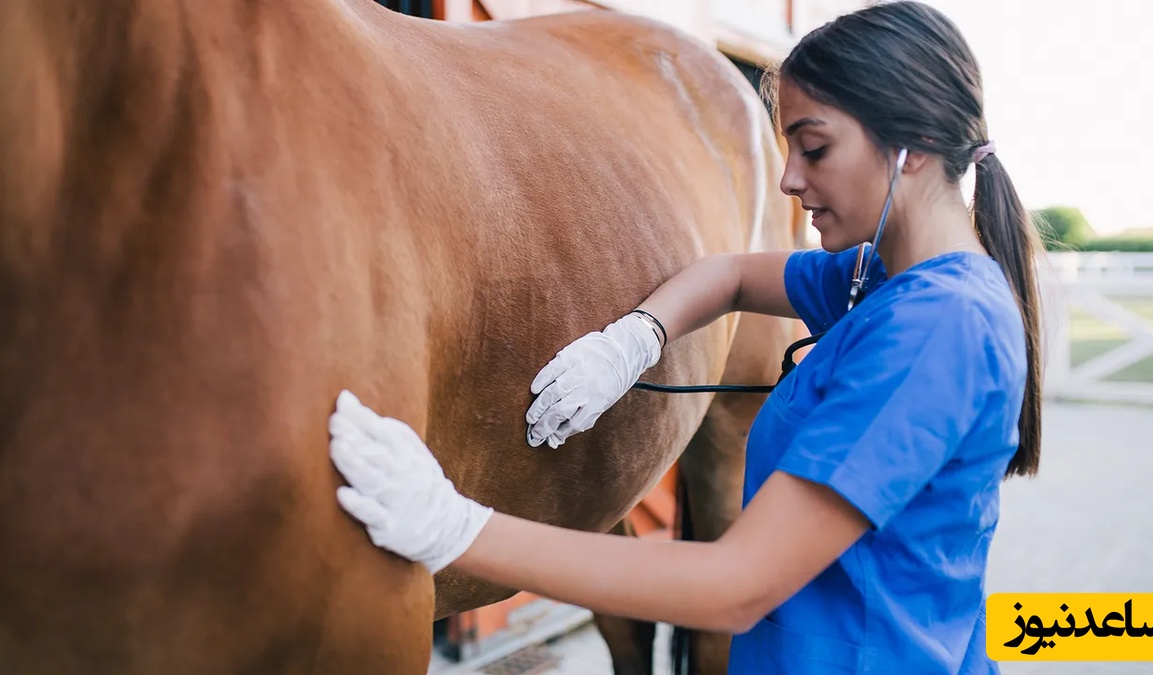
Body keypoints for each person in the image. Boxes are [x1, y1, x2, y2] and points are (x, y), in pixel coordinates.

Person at [325, 2, 1044, 672]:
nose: (789, 180)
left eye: (814, 147)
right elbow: (731, 275)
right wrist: (634, 338)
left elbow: (735, 585)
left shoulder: (938, 328)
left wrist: (455, 528)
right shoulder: (882, 276)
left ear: (909, 147)